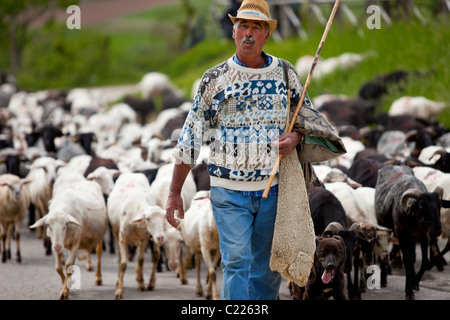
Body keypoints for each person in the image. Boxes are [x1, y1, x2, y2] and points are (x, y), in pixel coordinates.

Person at [165, 0, 345, 300]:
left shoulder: (285, 75)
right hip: (228, 191)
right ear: (233, 32)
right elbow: (190, 139)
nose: (248, 33)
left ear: (266, 35)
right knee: (237, 261)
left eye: (256, 27)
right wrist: (173, 192)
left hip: (273, 190)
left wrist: (296, 139)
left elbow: (309, 119)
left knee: (266, 268)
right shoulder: (214, 79)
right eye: (243, 26)